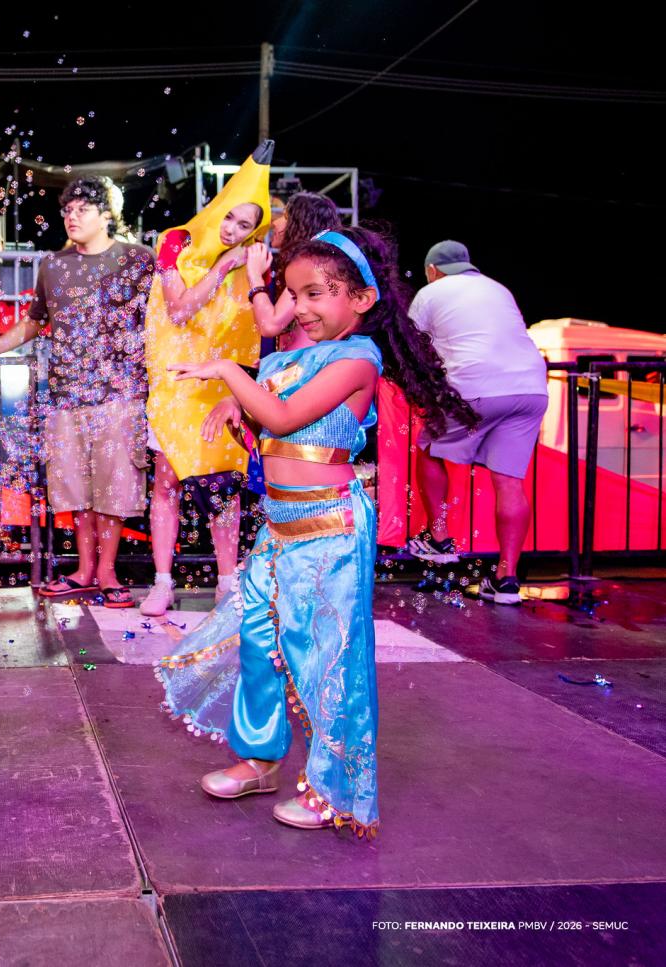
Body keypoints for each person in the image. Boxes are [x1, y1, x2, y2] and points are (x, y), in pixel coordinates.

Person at [156, 226, 476, 836]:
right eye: (293, 293)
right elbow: (271, 428)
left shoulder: (357, 360)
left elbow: (282, 413)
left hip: (329, 530)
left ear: (360, 300)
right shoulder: (286, 359)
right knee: (259, 648)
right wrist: (237, 411)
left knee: (327, 661)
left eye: (317, 294)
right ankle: (259, 759)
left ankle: (337, 790)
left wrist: (230, 373)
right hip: (278, 529)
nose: (300, 307)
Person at [0, 176, 154, 607]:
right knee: (75, 489)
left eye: (82, 209)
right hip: (66, 394)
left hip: (121, 393)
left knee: (114, 489)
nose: (71, 217)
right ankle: (84, 570)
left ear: (107, 215)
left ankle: (109, 572)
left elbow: (160, 322)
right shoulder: (53, 266)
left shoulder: (137, 260)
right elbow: (34, 321)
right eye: (67, 210)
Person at [143, 142, 273, 615]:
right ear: (216, 208)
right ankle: (161, 581)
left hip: (223, 387)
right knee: (166, 482)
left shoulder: (255, 263)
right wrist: (220, 269)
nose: (233, 229)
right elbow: (177, 310)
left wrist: (241, 394)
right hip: (174, 384)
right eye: (230, 218)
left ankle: (225, 580)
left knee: (224, 488)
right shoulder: (174, 241)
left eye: (245, 225)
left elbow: (260, 328)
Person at [405, 240, 542, 604]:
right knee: (509, 481)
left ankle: (438, 538)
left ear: (432, 270)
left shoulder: (431, 292)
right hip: (531, 387)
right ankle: (506, 579)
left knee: (428, 447)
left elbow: (413, 347)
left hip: (476, 384)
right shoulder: (499, 288)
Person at [243, 192, 341, 355]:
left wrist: (254, 275)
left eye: (285, 217)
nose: (275, 222)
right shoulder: (319, 264)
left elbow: (270, 325)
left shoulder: (310, 266)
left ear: (301, 226)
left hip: (304, 371)